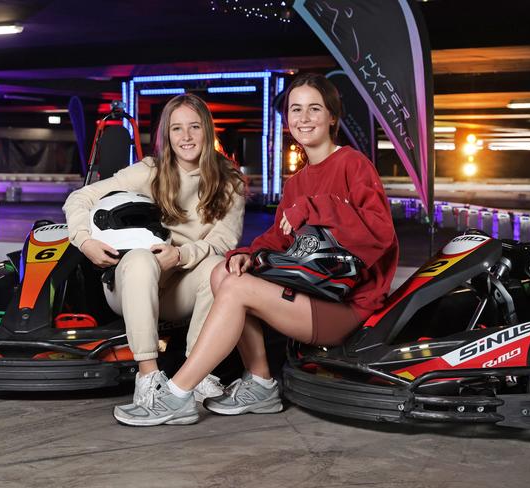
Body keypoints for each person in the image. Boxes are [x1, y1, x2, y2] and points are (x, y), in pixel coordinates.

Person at [113, 72, 399, 427]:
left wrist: (315, 207)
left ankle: (176, 394)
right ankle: (261, 382)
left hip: (344, 305)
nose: (304, 118)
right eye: (296, 110)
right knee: (225, 272)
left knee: (236, 288)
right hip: (308, 290)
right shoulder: (298, 182)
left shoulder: (352, 163)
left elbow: (381, 233)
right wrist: (246, 254)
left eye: (314, 109)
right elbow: (278, 238)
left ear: (332, 117)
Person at [63, 93, 246, 404]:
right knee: (140, 260)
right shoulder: (149, 170)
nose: (186, 137)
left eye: (194, 127)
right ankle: (148, 377)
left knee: (220, 267)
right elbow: (79, 199)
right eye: (177, 129)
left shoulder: (231, 182)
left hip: (180, 286)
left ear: (207, 131)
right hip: (130, 284)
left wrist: (181, 255)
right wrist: (85, 240)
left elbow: (223, 241)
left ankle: (196, 373)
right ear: (167, 135)